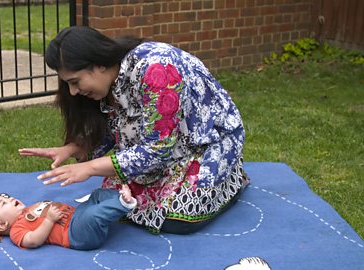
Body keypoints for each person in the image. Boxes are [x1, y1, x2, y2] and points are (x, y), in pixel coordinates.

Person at [19, 26, 250, 234]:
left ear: (99, 63)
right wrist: (73, 148)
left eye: (75, 82)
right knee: (117, 198)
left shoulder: (157, 71)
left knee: (179, 217)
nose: (72, 92)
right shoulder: (115, 76)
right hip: (170, 148)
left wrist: (89, 168)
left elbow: (156, 150)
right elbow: (117, 127)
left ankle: (232, 179)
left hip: (207, 145)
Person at [0, 185, 137, 250]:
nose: (10, 199)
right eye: (3, 203)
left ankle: (121, 199)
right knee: (92, 216)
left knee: (97, 194)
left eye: (6, 198)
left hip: (76, 214)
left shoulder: (28, 209)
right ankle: (124, 203)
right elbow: (32, 240)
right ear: (1, 225)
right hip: (75, 234)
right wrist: (49, 220)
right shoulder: (16, 230)